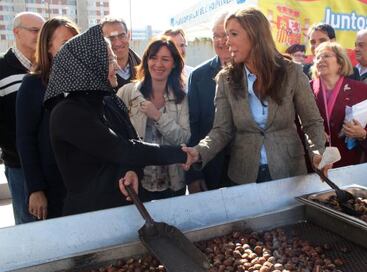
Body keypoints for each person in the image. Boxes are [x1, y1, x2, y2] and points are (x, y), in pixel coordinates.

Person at [43, 25, 188, 215]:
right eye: (110, 60)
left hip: (126, 209)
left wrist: (130, 171)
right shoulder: (68, 113)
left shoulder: (109, 101)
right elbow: (121, 149)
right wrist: (181, 154)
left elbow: (131, 144)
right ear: (91, 64)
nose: (117, 67)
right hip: (91, 218)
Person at [182, 7, 328, 185]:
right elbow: (222, 130)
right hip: (243, 174)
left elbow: (311, 122)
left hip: (289, 171)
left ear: (255, 35)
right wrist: (199, 151)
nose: (227, 42)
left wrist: (318, 152)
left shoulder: (292, 72)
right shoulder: (225, 79)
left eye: (233, 34)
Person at [16, 17, 79, 220]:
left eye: (76, 41)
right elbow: (25, 140)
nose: (73, 48)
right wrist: (36, 189)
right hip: (51, 187)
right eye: (65, 44)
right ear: (48, 48)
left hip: (83, 185)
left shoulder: (85, 83)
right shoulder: (33, 85)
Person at [117, 37, 190, 201]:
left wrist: (157, 116)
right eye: (153, 58)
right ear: (146, 61)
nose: (158, 64)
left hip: (172, 182)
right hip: (137, 180)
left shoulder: (182, 98)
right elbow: (117, 139)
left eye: (165, 59)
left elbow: (184, 138)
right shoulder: (127, 93)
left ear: (174, 64)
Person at [0, 12, 45, 224]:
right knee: (29, 228)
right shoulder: (2, 68)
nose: (41, 35)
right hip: (19, 166)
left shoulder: (49, 66)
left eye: (43, 31)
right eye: (35, 30)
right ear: (16, 32)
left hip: (51, 163)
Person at [186, 12, 232, 193]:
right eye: (216, 36)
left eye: (225, 35)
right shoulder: (199, 76)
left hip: (248, 168)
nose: (220, 41)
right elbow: (192, 126)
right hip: (210, 166)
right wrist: (193, 174)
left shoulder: (253, 71)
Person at [310, 42, 367, 168]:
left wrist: (362, 133)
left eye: (326, 56)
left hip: (347, 161)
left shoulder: (360, 89)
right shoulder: (306, 88)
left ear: (340, 62)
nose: (320, 60)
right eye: (317, 57)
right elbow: (295, 123)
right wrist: (313, 133)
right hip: (316, 161)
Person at [101, 16, 141, 91]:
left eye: (122, 36)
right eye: (111, 38)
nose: (118, 43)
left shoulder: (145, 68)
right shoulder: (97, 74)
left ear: (128, 35)